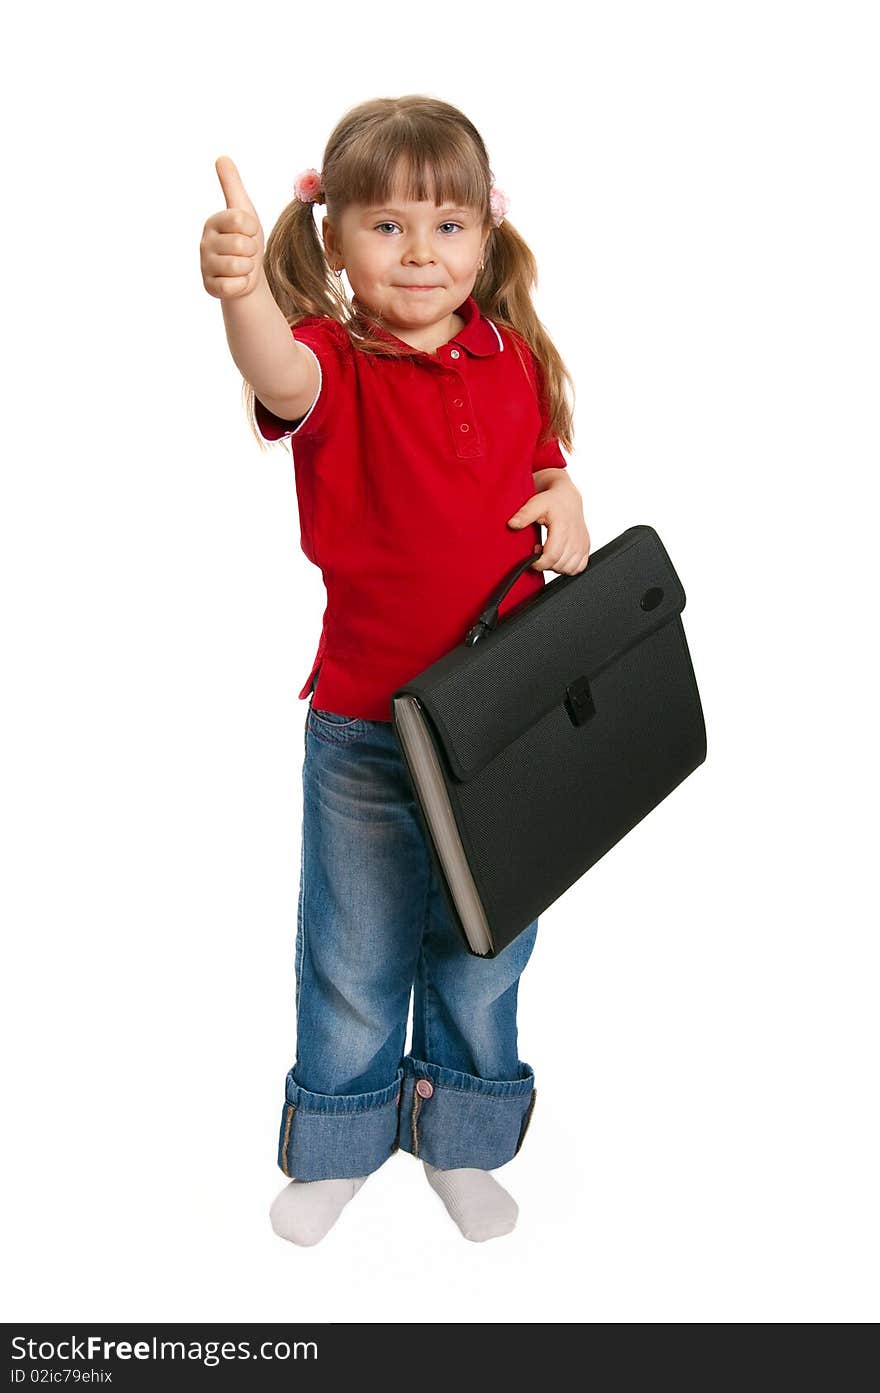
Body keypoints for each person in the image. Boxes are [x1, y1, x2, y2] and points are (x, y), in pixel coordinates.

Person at [199, 94, 591, 1246]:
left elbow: (541, 461)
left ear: (486, 234)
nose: (421, 253)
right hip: (369, 728)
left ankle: (461, 1140)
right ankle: (341, 1139)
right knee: (355, 949)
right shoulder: (330, 361)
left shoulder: (508, 353)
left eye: (448, 227)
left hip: (502, 726)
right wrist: (241, 299)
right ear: (334, 244)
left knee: (483, 948)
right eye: (387, 228)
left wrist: (565, 498)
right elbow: (274, 370)